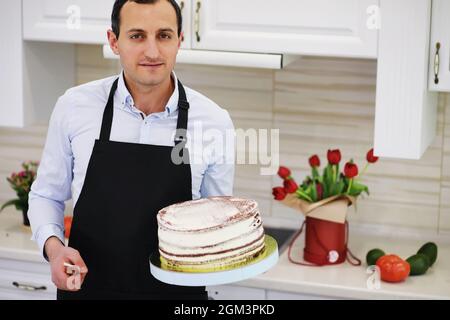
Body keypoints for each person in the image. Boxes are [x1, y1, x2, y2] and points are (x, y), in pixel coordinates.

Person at [28, 0, 235, 300]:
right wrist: (55, 249)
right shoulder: (75, 107)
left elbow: (216, 221)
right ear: (114, 41)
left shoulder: (215, 122)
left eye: (163, 35)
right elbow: (46, 194)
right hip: (87, 292)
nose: (152, 51)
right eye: (137, 36)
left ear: (180, 41)